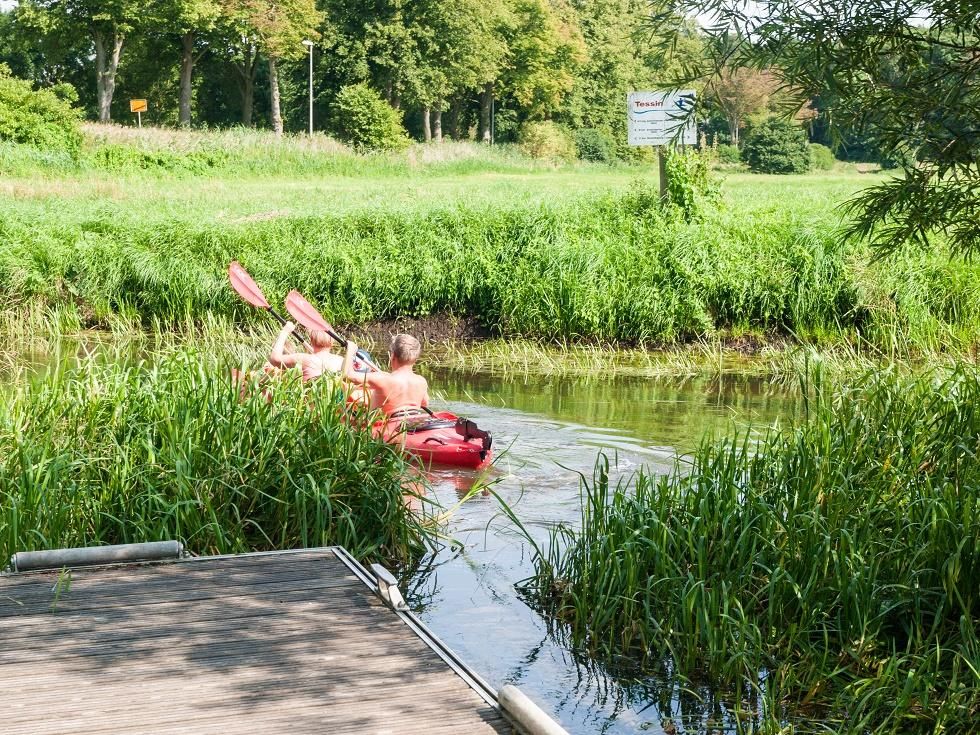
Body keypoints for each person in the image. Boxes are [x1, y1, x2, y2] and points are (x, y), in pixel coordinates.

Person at [342, 333, 429, 419]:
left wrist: (350, 350)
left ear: (393, 356)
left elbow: (347, 375)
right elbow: (424, 403)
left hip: (388, 426)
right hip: (415, 422)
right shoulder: (421, 381)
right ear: (415, 360)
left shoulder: (382, 379)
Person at [266, 321, 343, 382]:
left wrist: (285, 331)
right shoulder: (341, 361)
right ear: (332, 342)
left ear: (311, 341)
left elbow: (274, 359)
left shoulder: (304, 359)